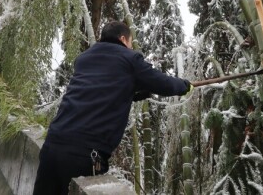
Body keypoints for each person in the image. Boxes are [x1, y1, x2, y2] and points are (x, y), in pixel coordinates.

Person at [33, 21, 193, 195]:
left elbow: (98, 88)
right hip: (84, 153)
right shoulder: (130, 58)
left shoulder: (84, 58)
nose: (131, 47)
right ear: (123, 39)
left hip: (52, 146)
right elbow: (163, 83)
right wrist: (185, 86)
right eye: (130, 43)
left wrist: (134, 92)